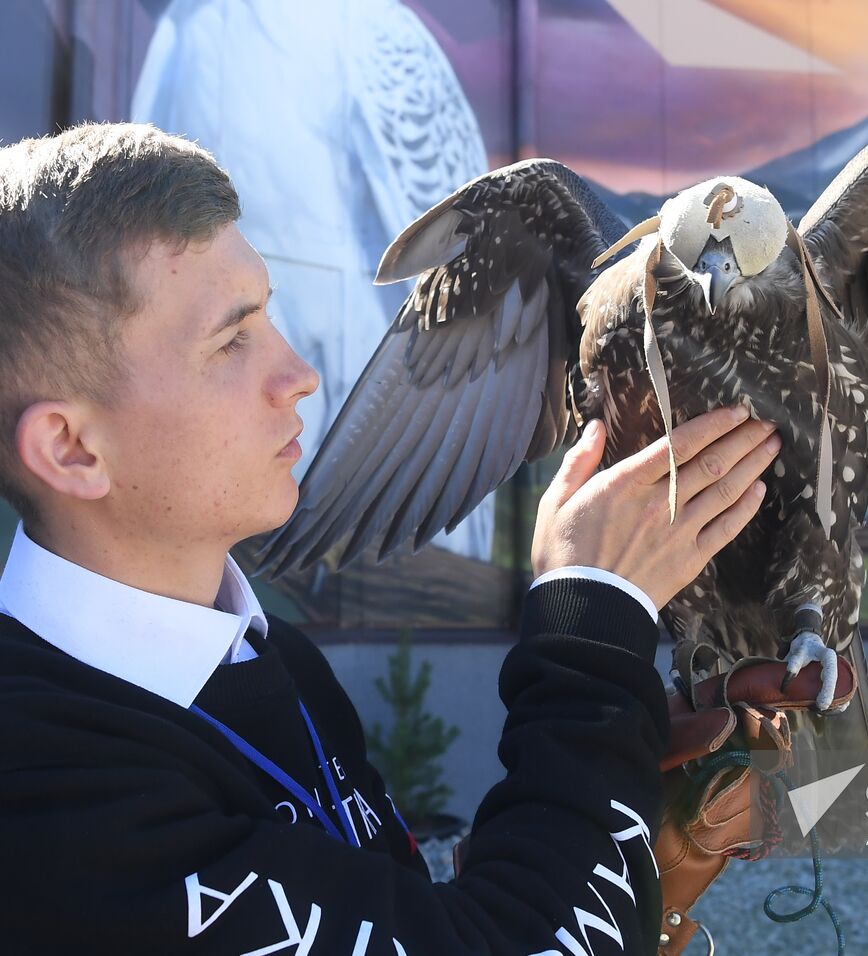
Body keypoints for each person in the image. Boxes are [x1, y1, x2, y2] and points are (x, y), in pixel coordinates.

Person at [0, 122, 781, 954]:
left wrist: (608, 816)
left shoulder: (275, 664)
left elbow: (410, 921)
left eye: (269, 319)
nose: (300, 374)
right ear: (71, 449)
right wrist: (591, 628)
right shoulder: (43, 792)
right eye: (231, 341)